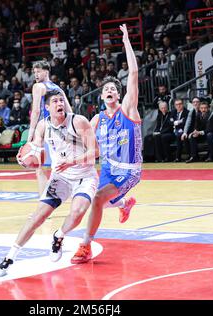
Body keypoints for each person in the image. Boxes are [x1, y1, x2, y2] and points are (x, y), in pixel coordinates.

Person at [0, 89, 98, 276]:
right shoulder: (44, 126)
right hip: (60, 177)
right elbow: (35, 148)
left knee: (78, 211)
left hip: (84, 175)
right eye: (55, 101)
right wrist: (28, 158)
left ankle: (58, 236)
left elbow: (95, 152)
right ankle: (9, 257)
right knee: (38, 216)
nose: (60, 104)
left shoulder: (78, 122)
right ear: (47, 107)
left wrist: (72, 162)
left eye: (61, 100)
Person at [71, 24, 141, 264]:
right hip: (108, 169)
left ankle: (85, 246)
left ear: (119, 95)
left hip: (129, 170)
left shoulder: (128, 109)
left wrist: (126, 41)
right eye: (106, 89)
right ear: (101, 97)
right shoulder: (96, 119)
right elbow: (85, 145)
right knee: (96, 199)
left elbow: (133, 74)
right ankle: (125, 204)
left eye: (113, 88)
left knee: (99, 199)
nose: (109, 90)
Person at [28, 60, 73, 195]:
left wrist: (31, 132)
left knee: (40, 169)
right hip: (61, 130)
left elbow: (36, 111)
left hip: (45, 129)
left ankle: (44, 204)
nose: (36, 74)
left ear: (46, 72)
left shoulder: (38, 87)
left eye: (38, 71)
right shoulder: (58, 88)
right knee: (61, 167)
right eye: (34, 72)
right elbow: (69, 111)